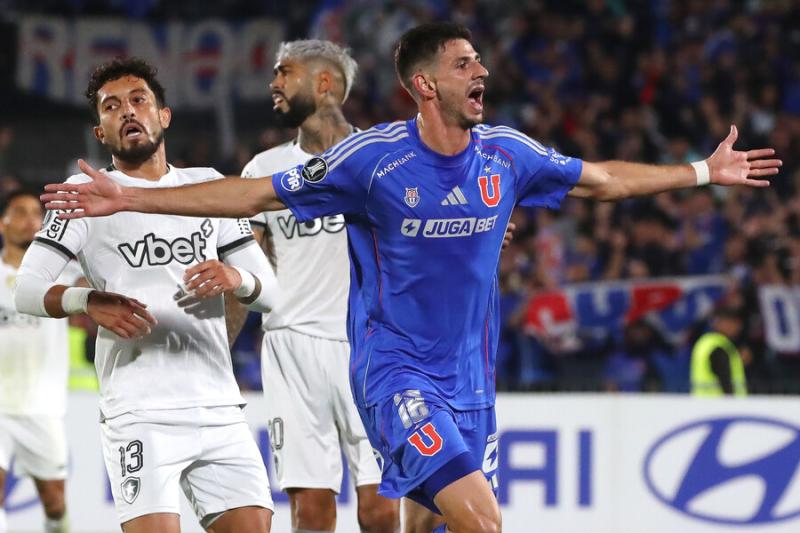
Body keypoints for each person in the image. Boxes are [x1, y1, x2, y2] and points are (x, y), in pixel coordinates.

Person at [41, 23, 782, 533]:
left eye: (479, 63)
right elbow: (255, 195)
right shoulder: (374, 161)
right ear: (425, 84)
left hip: (471, 379)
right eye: (465, 64)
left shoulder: (507, 155)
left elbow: (604, 181)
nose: (481, 72)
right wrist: (132, 195)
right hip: (394, 373)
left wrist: (698, 171)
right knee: (476, 515)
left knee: (430, 522)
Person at [17, 57, 279, 533]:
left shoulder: (207, 186)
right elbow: (27, 289)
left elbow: (271, 295)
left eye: (139, 100)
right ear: (100, 133)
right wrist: (86, 301)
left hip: (219, 406)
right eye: (111, 106)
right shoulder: (85, 194)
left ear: (164, 115)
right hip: (140, 413)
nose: (127, 111)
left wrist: (235, 280)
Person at [233, 39, 400, 533]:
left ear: (324, 83)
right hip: (290, 347)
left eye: (285, 72)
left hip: (370, 347)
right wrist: (221, 349)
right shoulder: (263, 171)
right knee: (311, 512)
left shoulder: (385, 159)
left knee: (381, 509)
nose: (274, 84)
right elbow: (248, 269)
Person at [0, 189, 81, 533]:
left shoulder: (63, 273)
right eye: (19, 212)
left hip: (42, 406)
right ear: (3, 223)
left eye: (37, 213)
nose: (30, 220)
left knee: (54, 503)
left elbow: (92, 285)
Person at [691, 305, 748, 396]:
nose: (738, 327)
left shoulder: (705, 342)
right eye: (735, 323)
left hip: (703, 403)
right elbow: (725, 378)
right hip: (721, 406)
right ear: (723, 323)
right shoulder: (719, 346)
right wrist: (732, 401)